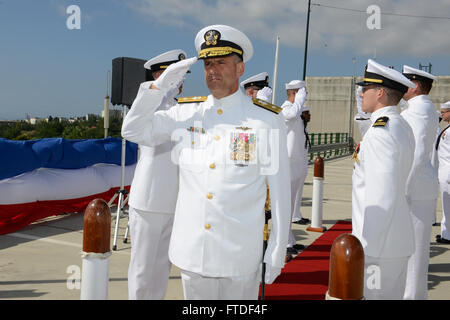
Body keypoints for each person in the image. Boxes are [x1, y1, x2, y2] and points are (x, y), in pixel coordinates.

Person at [121, 24, 291, 300]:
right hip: (193, 253)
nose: (213, 70)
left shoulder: (267, 121)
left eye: (222, 62)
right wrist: (158, 86)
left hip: (239, 255)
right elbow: (132, 130)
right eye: (208, 64)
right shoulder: (186, 113)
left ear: (240, 69)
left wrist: (277, 248)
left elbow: (281, 191)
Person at [352, 59, 416, 300]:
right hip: (393, 242)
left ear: (379, 92)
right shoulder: (399, 125)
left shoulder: (381, 133)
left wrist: (366, 250)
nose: (361, 94)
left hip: (378, 247)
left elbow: (382, 196)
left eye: (365, 88)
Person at [126, 49, 188, 300]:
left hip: (173, 200)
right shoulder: (146, 104)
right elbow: (131, 127)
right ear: (161, 75)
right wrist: (160, 87)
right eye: (177, 75)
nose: (182, 81)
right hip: (149, 201)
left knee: (162, 268)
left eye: (183, 76)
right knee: (142, 269)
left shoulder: (178, 107)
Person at [400, 65, 439, 300]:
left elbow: (414, 154)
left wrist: (402, 192)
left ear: (415, 86)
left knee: (413, 253)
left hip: (414, 191)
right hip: (421, 187)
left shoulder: (418, 111)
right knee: (416, 252)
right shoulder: (420, 107)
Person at [281, 80, 311, 232]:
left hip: (297, 164)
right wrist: (299, 99)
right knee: (286, 206)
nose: (304, 96)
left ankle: (289, 239)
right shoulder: (286, 109)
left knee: (291, 205)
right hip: (288, 165)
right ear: (295, 93)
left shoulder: (297, 113)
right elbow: (291, 114)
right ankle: (284, 243)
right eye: (302, 92)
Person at [436, 101, 450, 245]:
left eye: (444, 112)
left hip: (449, 173)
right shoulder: (447, 129)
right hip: (444, 172)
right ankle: (446, 233)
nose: (442, 115)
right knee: (447, 205)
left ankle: (448, 235)